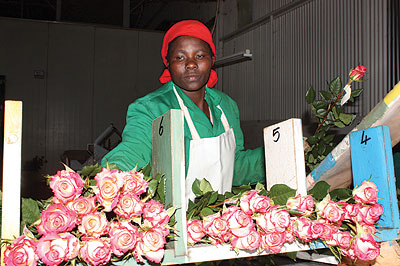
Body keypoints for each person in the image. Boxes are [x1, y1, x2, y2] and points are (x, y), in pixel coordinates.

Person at [101, 20, 265, 202]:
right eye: (180, 57)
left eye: (200, 56)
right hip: (173, 223)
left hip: (222, 218)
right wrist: (112, 177)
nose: (191, 64)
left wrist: (278, 154)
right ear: (168, 64)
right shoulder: (150, 108)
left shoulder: (226, 106)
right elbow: (133, 150)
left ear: (212, 59)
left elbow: (235, 166)